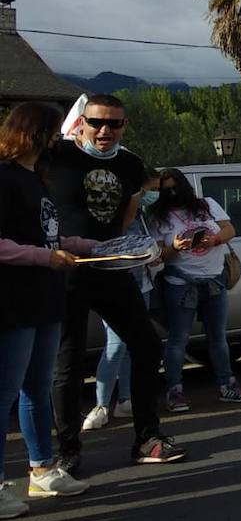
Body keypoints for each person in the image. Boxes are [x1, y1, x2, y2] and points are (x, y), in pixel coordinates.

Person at [43, 93, 185, 468]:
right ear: (83, 123)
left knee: (147, 344)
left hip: (111, 266)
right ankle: (67, 454)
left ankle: (147, 439)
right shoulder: (58, 156)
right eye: (97, 122)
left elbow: (125, 218)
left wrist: (133, 249)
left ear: (124, 126)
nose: (104, 130)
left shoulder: (130, 165)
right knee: (68, 361)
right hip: (68, 268)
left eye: (114, 123)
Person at [0, 103, 100, 518]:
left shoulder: (35, 178)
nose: (60, 139)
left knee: (36, 390)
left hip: (45, 299)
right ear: (33, 133)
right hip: (12, 303)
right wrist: (46, 258)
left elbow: (48, 236)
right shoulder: (3, 177)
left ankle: (42, 469)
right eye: (54, 132)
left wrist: (85, 246)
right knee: (4, 393)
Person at [149, 168, 241, 408]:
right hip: (181, 281)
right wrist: (174, 247)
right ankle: (174, 390)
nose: (172, 193)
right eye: (166, 190)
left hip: (214, 278)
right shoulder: (157, 216)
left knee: (218, 337)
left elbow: (229, 229)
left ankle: (228, 384)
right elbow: (156, 255)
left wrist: (213, 239)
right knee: (178, 339)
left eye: (175, 188)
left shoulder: (206, 205)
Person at [83, 169, 160, 430]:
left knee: (133, 343)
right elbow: (121, 232)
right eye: (148, 190)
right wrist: (134, 201)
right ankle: (101, 404)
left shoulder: (142, 213)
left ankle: (125, 399)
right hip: (119, 282)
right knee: (115, 345)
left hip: (142, 282)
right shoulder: (115, 213)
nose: (153, 194)